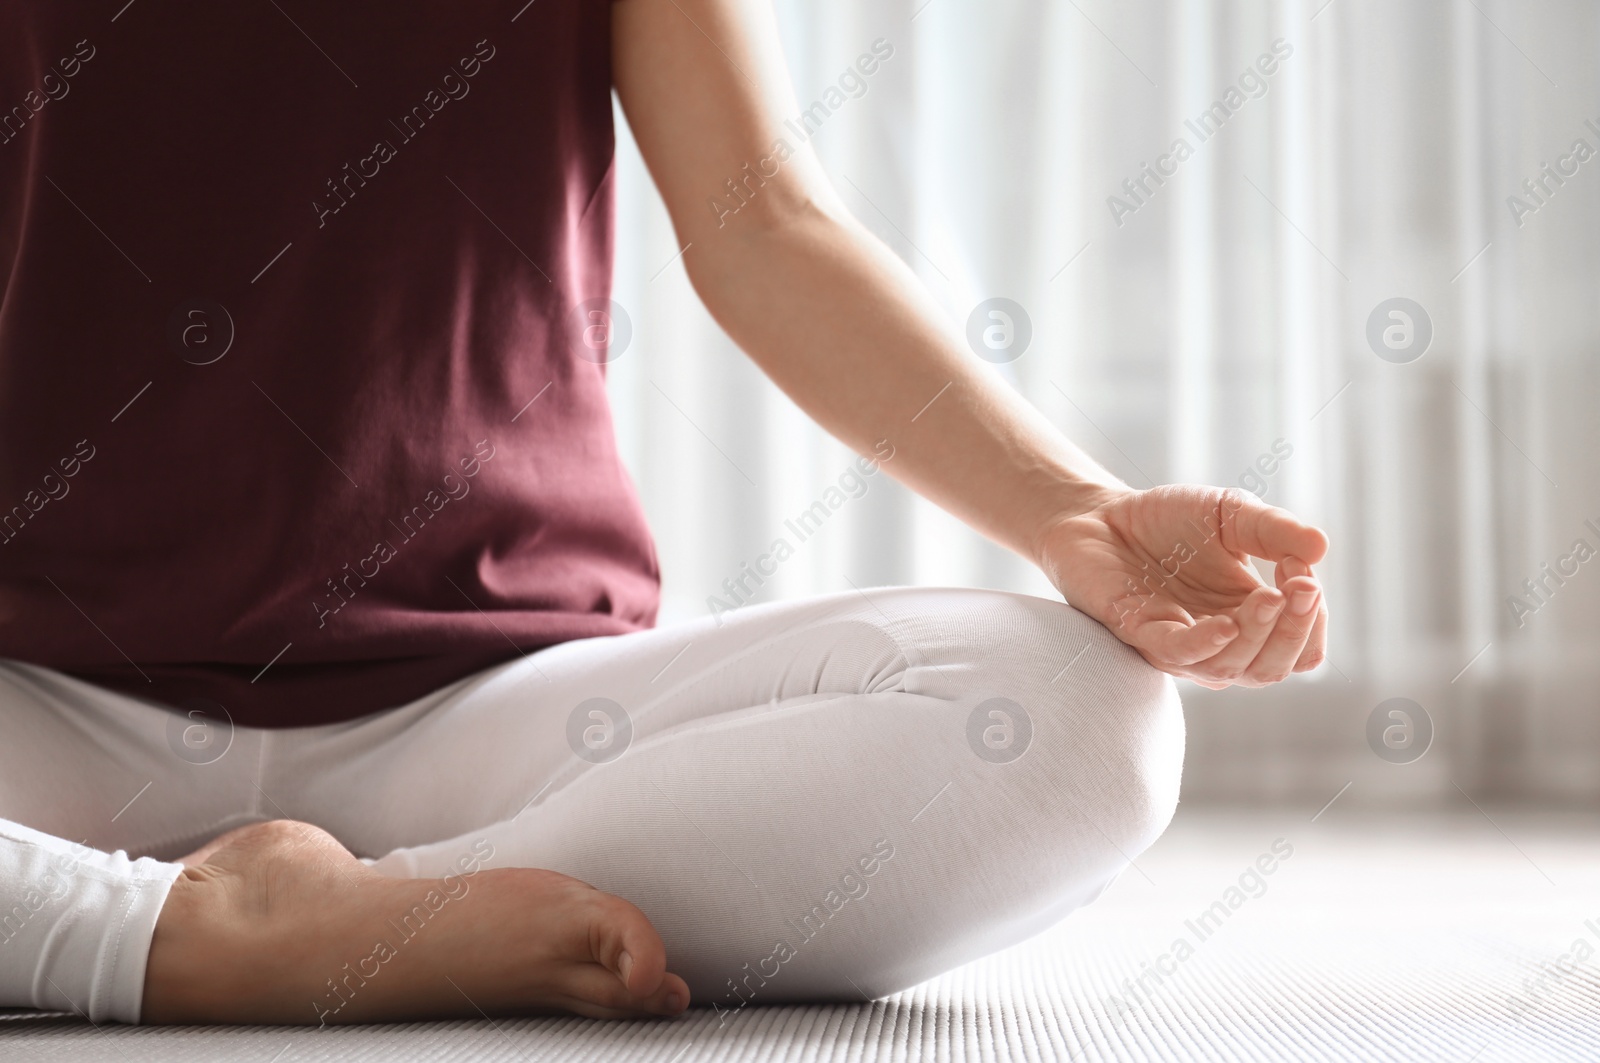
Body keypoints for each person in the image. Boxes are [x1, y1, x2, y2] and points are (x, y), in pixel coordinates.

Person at [0, 0, 1327, 1026]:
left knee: (1079, 725)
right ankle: (202, 945)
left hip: (493, 704)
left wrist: (1071, 512)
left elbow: (767, 228)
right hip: (39, 710)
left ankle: (360, 914)